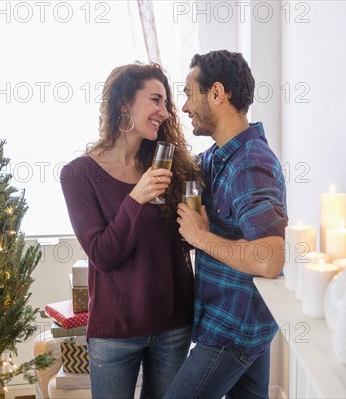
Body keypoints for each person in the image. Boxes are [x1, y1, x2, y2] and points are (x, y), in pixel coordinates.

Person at [60, 62, 199, 399]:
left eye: (166, 103)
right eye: (156, 100)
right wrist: (136, 197)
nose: (165, 112)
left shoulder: (168, 166)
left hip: (173, 325)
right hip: (114, 333)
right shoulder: (78, 175)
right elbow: (103, 255)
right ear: (124, 103)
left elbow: (184, 239)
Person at [161, 50, 288, 399]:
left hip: (235, 328)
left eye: (189, 93)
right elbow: (180, 165)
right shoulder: (219, 156)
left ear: (217, 94)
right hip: (242, 322)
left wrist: (202, 238)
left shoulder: (249, 165)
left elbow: (270, 258)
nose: (185, 106)